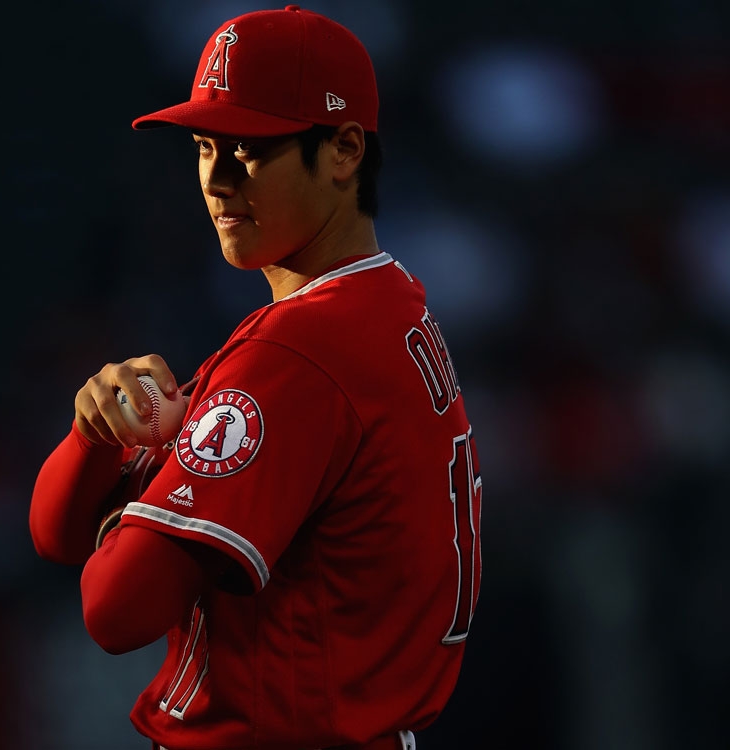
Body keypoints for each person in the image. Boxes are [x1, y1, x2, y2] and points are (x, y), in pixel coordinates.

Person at [29, 6, 482, 749]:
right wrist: (92, 433)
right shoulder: (384, 303)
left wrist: (147, 497)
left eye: (253, 149)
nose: (217, 177)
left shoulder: (301, 351)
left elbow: (116, 610)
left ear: (341, 152)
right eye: (207, 145)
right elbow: (54, 531)